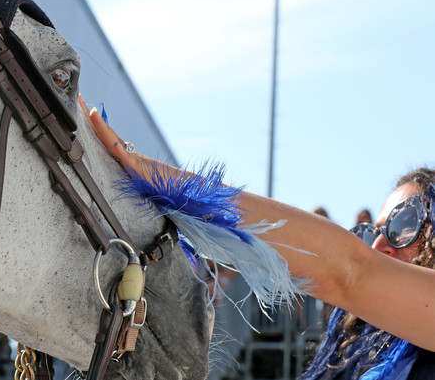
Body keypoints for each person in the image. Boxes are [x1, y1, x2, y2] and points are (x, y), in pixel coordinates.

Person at [81, 97, 435, 353]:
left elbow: (350, 271)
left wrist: (164, 183)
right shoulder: (354, 356)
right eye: (368, 234)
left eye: (404, 224)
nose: (377, 246)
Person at [298, 168, 435, 379]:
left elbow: (354, 274)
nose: (377, 246)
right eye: (374, 234)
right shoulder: (361, 353)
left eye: (402, 227)